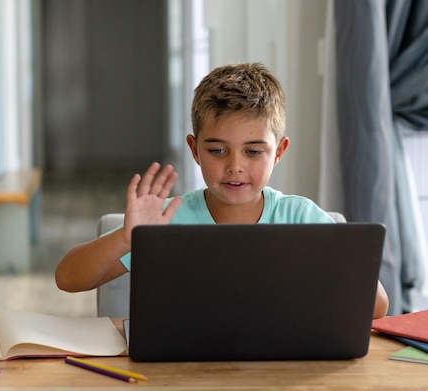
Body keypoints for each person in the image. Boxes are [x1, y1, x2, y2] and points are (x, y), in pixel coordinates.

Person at [55, 62, 389, 319]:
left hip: (279, 371)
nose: (235, 166)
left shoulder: (300, 216)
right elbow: (68, 279)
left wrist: (338, 261)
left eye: (253, 151)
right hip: (178, 372)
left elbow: (377, 306)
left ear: (279, 151)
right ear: (195, 149)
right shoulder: (165, 221)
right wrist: (127, 240)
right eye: (217, 150)